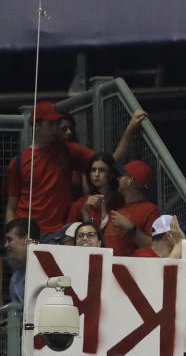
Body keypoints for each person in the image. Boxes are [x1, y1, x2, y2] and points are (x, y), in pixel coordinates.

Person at [4, 103, 147, 233]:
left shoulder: (67, 150)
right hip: (26, 233)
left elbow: (110, 161)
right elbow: (11, 207)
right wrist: (11, 235)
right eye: (51, 123)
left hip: (57, 232)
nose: (57, 127)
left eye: (57, 122)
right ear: (37, 126)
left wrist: (129, 129)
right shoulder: (19, 161)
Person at [102, 160, 160, 257]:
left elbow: (155, 247)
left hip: (129, 270)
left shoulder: (150, 210)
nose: (117, 179)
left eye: (121, 176)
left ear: (129, 180)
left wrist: (132, 230)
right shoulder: (118, 208)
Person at [67, 152, 124, 228]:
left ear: (112, 174)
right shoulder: (80, 204)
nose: (96, 174)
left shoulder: (120, 200)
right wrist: (85, 213)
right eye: (93, 170)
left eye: (101, 170)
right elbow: (68, 236)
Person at [3, 218, 40, 305]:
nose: (5, 245)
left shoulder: (47, 271)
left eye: (10, 239)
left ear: (26, 240)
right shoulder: (15, 280)